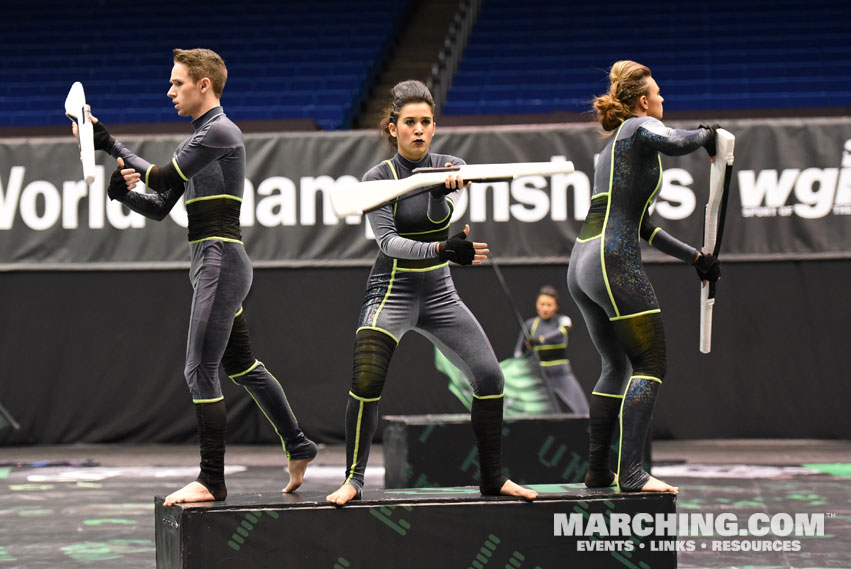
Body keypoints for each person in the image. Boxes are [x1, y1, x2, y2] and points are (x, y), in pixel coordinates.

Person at [77, 48, 317, 505]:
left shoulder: (221, 131)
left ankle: (212, 479)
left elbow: (161, 175)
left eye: (177, 83)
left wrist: (109, 143)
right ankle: (299, 444)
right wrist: (122, 196)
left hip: (221, 261)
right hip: (211, 262)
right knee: (241, 366)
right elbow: (158, 204)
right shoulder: (198, 140)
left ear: (203, 84)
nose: (170, 91)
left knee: (198, 370)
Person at [325, 80, 537, 506]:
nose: (418, 130)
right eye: (409, 123)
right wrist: (444, 247)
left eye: (425, 122)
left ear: (434, 126)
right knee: (366, 379)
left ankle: (493, 478)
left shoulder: (451, 165)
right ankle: (353, 479)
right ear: (392, 128)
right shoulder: (377, 178)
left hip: (440, 294)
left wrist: (444, 194)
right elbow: (388, 243)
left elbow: (452, 215)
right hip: (391, 291)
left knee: (491, 377)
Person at [566, 60, 721, 493]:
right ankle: (631, 472)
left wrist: (696, 258)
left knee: (615, 365)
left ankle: (599, 471)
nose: (663, 99)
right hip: (611, 260)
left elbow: (644, 226)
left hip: (582, 263)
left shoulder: (611, 148)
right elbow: (676, 142)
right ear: (641, 103)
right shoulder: (637, 129)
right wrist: (708, 136)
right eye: (658, 93)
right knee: (650, 364)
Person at [513, 285, 589, 414]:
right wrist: (526, 353)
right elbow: (518, 353)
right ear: (537, 304)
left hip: (561, 374)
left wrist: (540, 340)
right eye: (542, 304)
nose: (545, 308)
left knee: (583, 411)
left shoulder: (562, 320)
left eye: (549, 305)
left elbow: (565, 330)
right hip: (539, 377)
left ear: (556, 307)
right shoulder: (531, 324)